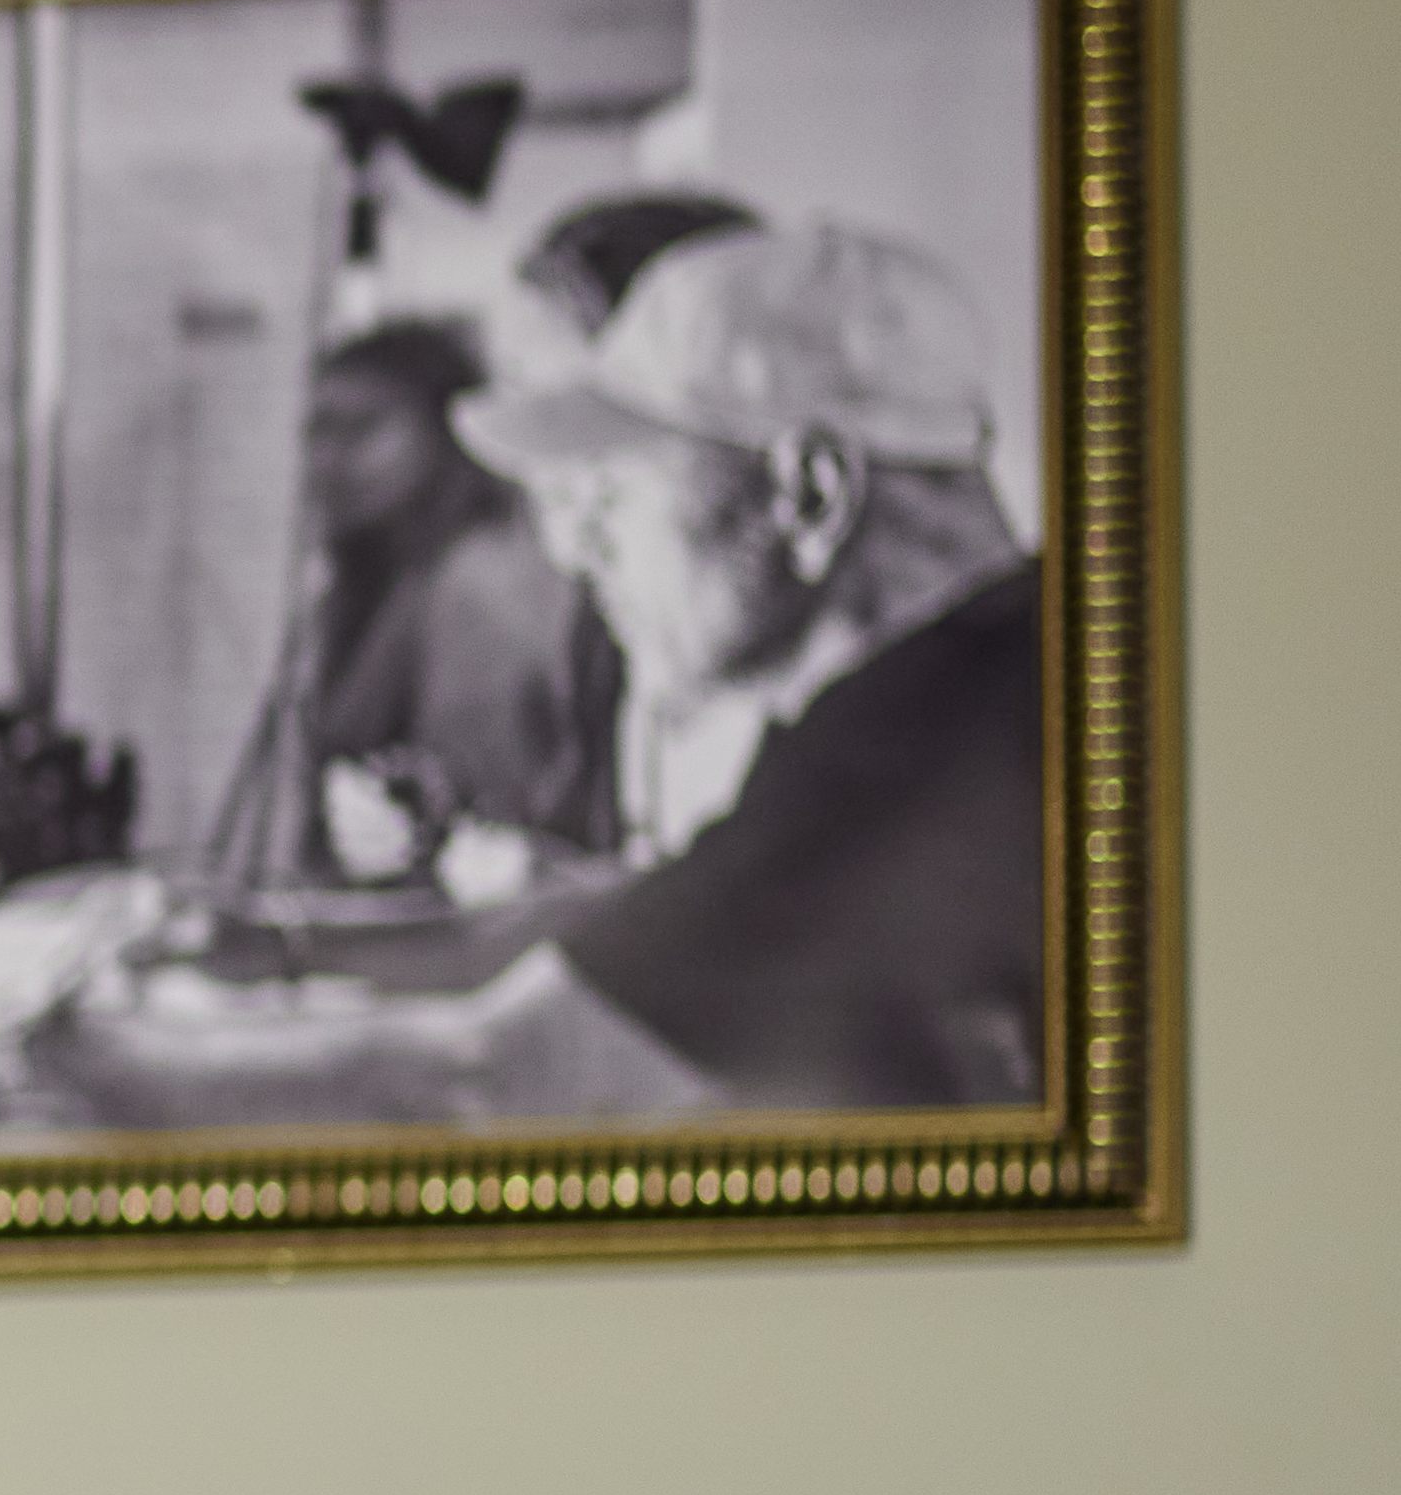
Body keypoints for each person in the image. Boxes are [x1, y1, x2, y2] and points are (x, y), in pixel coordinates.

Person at [54, 212, 1040, 1126]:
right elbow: (651, 913)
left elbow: (496, 1082)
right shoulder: (990, 676)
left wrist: (60, 1059)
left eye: (614, 496)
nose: (575, 552)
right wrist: (289, 942)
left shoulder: (905, 743)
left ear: (807, 492)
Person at [254, 315, 621, 892]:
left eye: (361, 430)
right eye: (317, 431)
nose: (326, 461)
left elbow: (487, 824)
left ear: (449, 430)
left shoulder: (481, 587)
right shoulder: (383, 578)